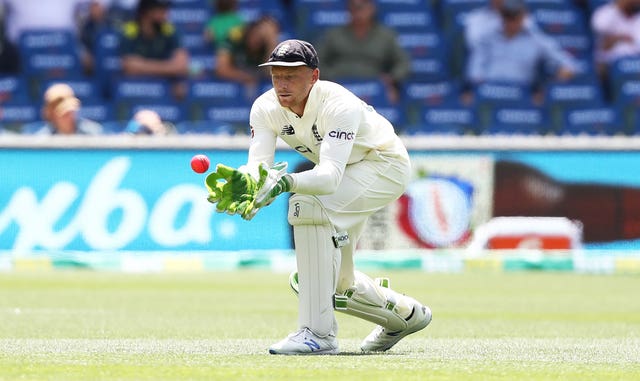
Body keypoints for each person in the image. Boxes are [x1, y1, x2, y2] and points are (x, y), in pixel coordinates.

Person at [204, 39, 432, 355]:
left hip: (384, 165)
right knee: (326, 282)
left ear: (313, 76)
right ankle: (405, 316)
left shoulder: (339, 105)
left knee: (307, 203)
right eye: (276, 75)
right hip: (350, 174)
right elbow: (259, 167)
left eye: (292, 75)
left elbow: (328, 178)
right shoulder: (265, 107)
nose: (282, 84)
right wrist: (250, 185)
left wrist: (283, 184)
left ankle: (317, 334)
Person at [464, 0, 578, 104]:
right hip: (490, 95)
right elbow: (475, 72)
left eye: (514, 17)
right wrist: (475, 91)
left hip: (522, 98)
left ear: (523, 17)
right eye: (507, 16)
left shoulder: (536, 40)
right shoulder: (487, 38)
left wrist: (548, 88)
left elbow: (569, 66)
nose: (510, 22)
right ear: (501, 17)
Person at [315, 0, 410, 104]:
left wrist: (391, 79)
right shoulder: (333, 34)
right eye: (354, 7)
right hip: (340, 85)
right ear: (349, 9)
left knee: (391, 95)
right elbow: (316, 61)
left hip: (374, 87)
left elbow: (403, 63)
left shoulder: (386, 36)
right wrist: (330, 79)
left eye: (362, 6)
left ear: (372, 8)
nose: (358, 11)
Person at [118, 0, 189, 98]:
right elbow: (129, 66)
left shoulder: (169, 30)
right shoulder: (130, 30)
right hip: (136, 90)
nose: (166, 14)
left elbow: (181, 66)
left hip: (165, 89)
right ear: (147, 11)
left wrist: (142, 66)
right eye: (161, 9)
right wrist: (169, 67)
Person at [213, 15, 279, 94]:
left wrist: (271, 42)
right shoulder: (235, 37)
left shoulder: (268, 45)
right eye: (255, 34)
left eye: (262, 36)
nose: (256, 39)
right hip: (233, 87)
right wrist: (246, 77)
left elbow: (271, 73)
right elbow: (221, 69)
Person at [591, 0, 640, 99]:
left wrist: (617, 39)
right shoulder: (606, 13)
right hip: (609, 67)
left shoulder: (637, 17)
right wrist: (618, 7)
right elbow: (600, 27)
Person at [29, 83, 103, 135]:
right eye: (64, 114)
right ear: (52, 115)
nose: (69, 117)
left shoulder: (93, 133)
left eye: (71, 112)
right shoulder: (42, 140)